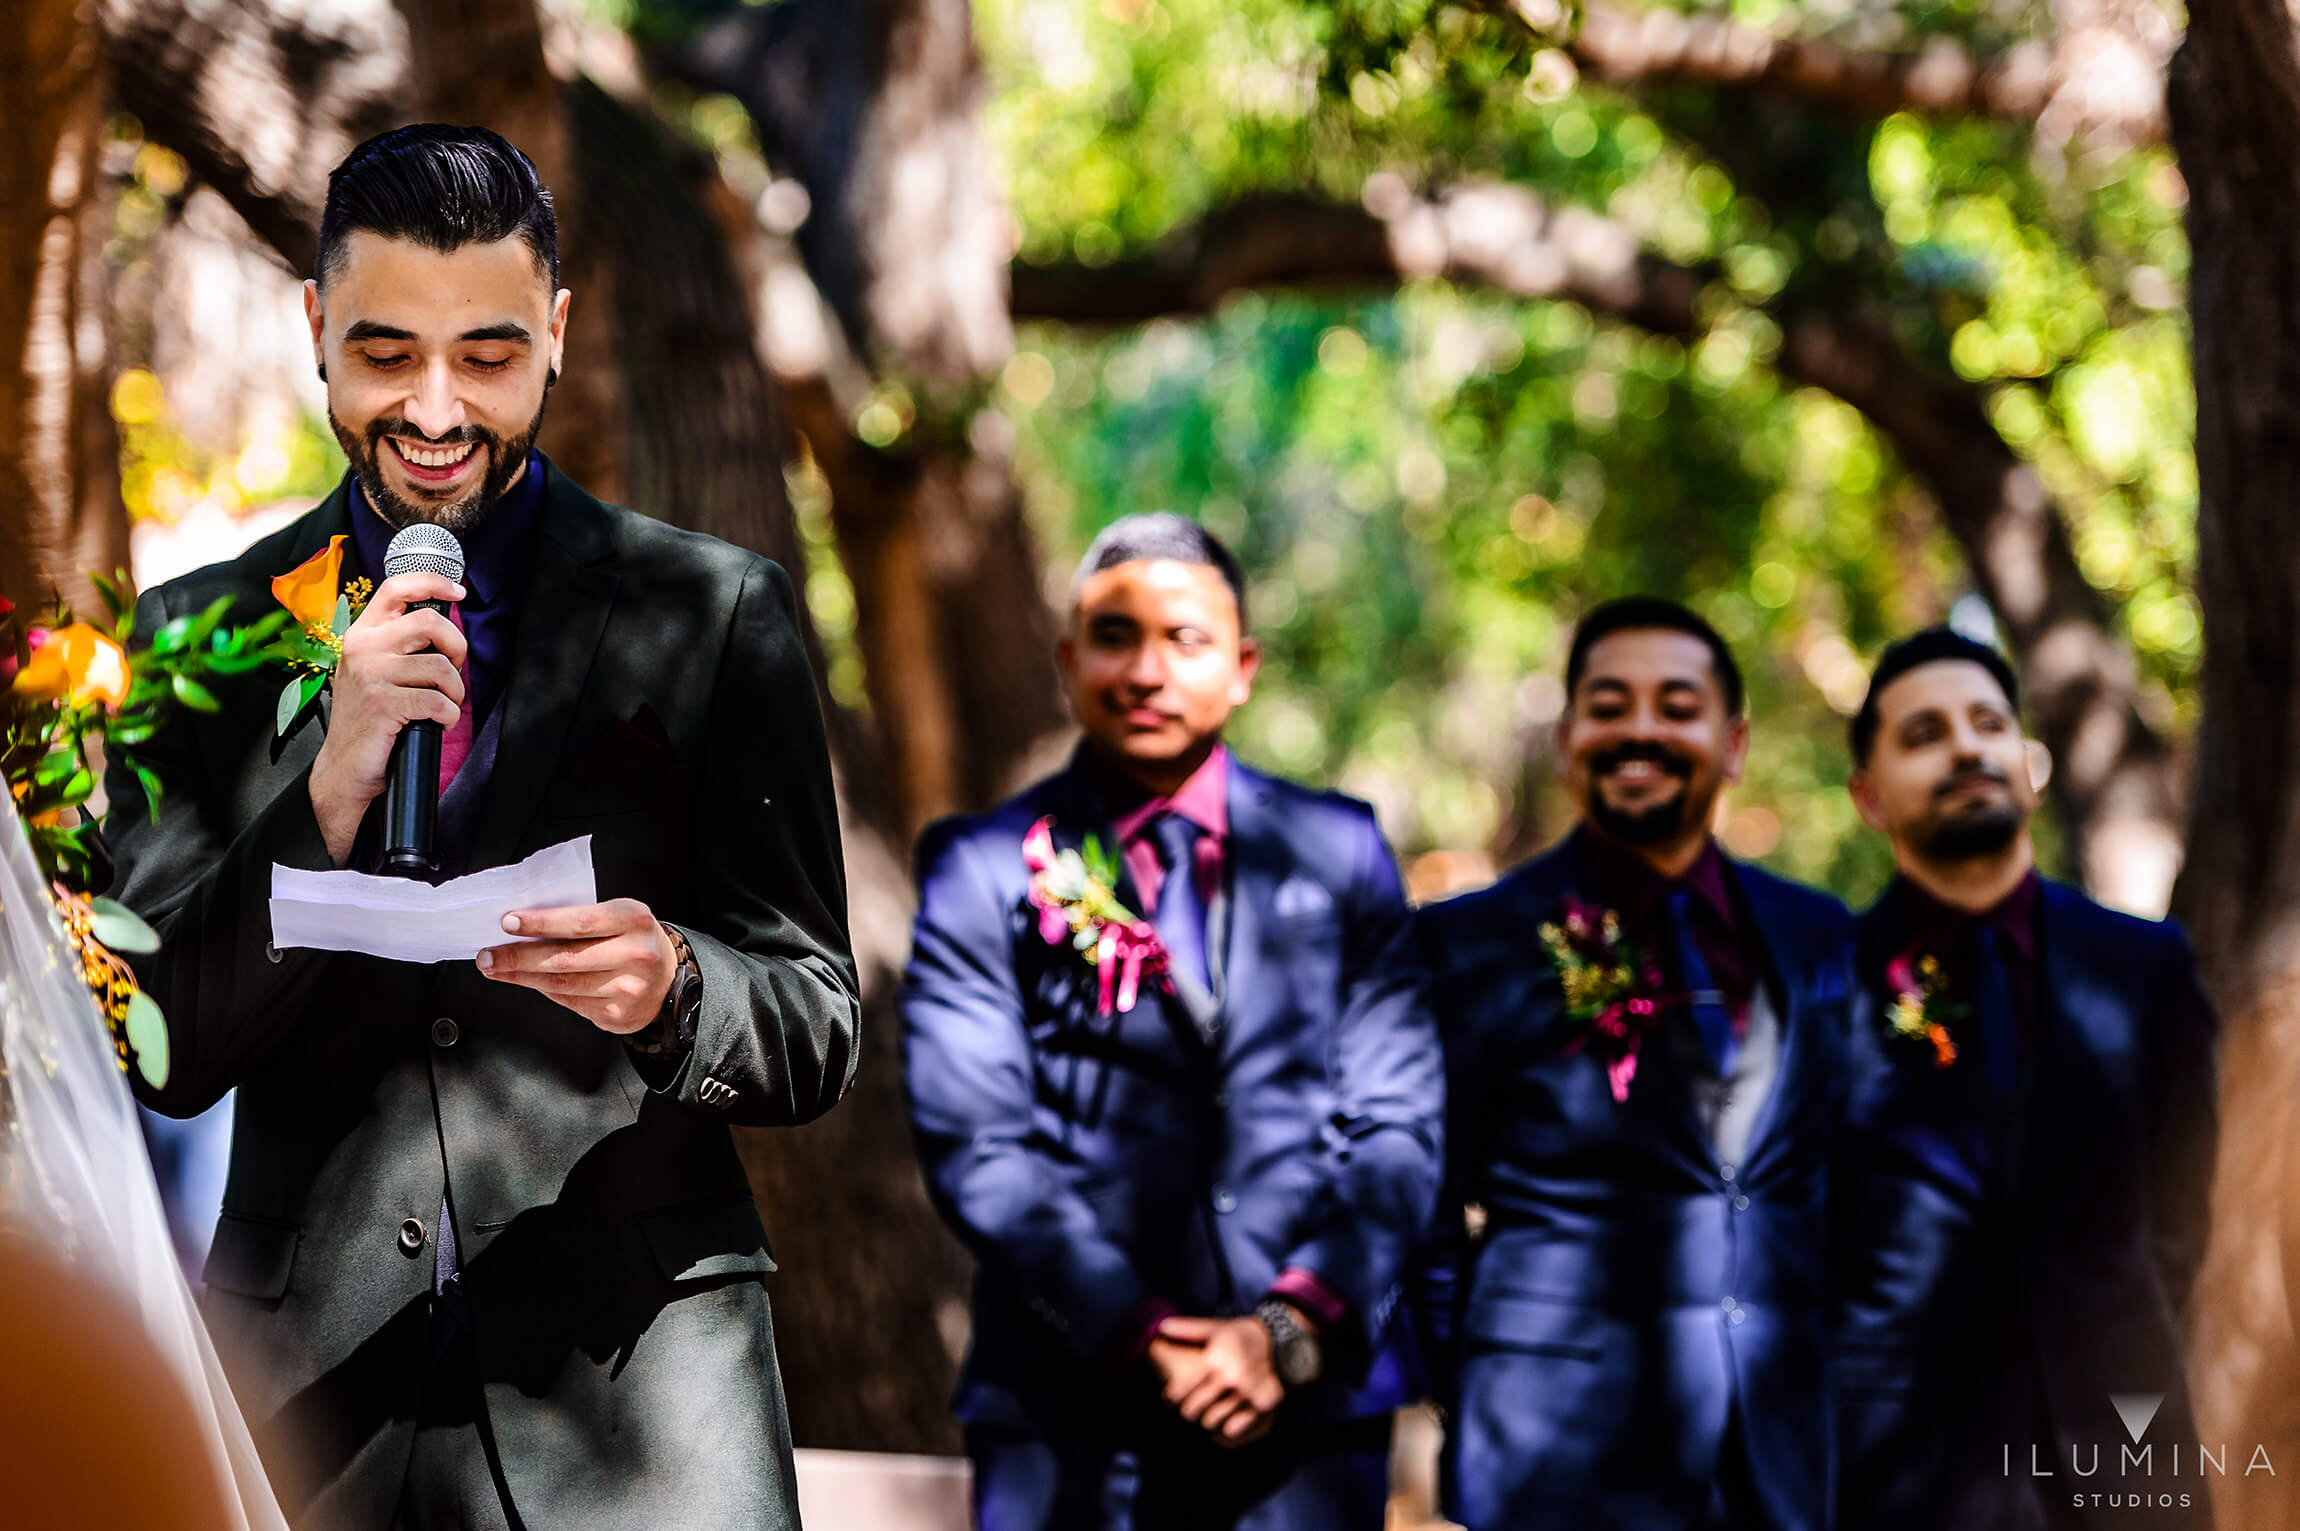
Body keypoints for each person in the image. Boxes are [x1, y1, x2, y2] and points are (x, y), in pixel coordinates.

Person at [105, 125, 861, 1530]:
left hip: (642, 1411)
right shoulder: (189, 636)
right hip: (305, 1411)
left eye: (490, 357)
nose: (437, 410)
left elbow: (817, 1016)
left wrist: (676, 986)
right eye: (388, 355)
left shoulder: (716, 613)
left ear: (560, 335)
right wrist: (328, 782)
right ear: (318, 326)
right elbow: (164, 1042)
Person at [900, 513, 1443, 1529]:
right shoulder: (980, 865)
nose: (1146, 669)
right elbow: (977, 1141)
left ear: (1240, 666)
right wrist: (1142, 1332)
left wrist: (1290, 1326)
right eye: (1113, 637)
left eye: (1184, 639)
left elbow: (1398, 1120)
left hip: (1309, 1414)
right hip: (1066, 1410)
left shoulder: (1342, 851)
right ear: (1067, 660)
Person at [1416, 597, 1854, 1531]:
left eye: (1677, 705)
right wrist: (1486, 1378)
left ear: (1732, 744)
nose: (1642, 730)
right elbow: (1418, 1203)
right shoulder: (1469, 942)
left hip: (1782, 1461)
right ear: (1570, 737)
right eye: (1610, 706)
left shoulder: (1820, 935)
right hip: (1551, 1459)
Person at [1834, 627, 2216, 1529]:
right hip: (1900, 1472)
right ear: (1868, 796)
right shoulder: (1821, 986)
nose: (1967, 747)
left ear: (2031, 764)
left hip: (2131, 1450)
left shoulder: (2146, 969)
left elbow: (2181, 1218)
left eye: (1988, 723)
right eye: (1924, 734)